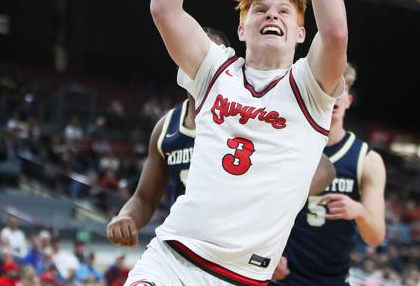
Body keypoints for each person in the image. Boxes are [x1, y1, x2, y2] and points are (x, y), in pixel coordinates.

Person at [125, 0, 347, 286]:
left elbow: (335, 31)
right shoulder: (216, 70)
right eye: (260, 9)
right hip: (172, 256)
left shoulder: (310, 88)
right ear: (242, 28)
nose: (272, 15)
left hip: (241, 277)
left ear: (301, 33)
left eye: (284, 11)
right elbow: (164, 10)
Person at [106, 28, 337, 247]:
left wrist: (271, 208)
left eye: (208, 55)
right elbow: (145, 199)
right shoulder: (166, 127)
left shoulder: (248, 114)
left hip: (237, 247)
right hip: (182, 242)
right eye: (191, 51)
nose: (199, 60)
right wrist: (125, 217)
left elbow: (324, 169)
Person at [271, 62, 386, 285]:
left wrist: (360, 211)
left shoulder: (367, 159)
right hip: (281, 276)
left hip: (332, 279)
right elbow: (259, 208)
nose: (334, 94)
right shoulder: (285, 145)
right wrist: (267, 253)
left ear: (348, 100)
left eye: (341, 88)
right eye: (328, 86)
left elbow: (376, 237)